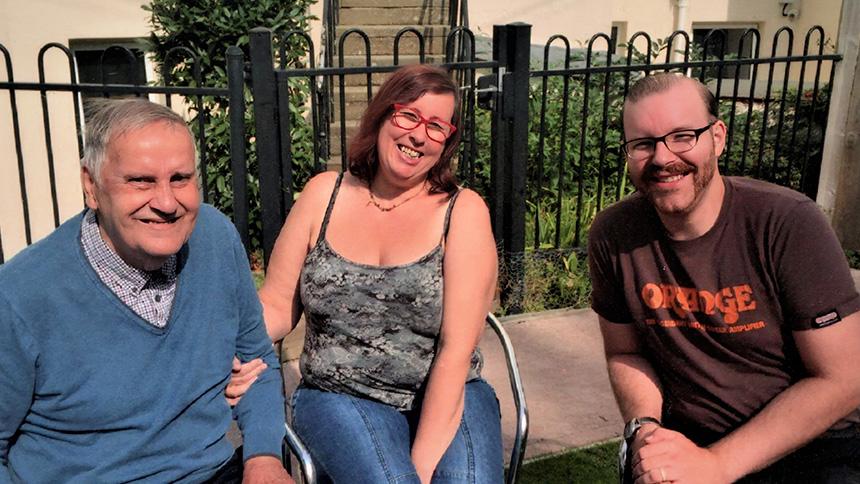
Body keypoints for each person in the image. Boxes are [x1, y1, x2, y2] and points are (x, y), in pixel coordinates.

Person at [0, 99, 292, 483]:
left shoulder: (214, 238)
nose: (167, 203)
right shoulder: (22, 293)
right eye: (141, 181)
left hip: (212, 472)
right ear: (92, 185)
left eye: (180, 179)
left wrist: (264, 459)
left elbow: (258, 364)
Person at [587, 72, 860, 484]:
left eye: (682, 136)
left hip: (809, 446)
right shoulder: (614, 235)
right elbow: (626, 353)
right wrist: (646, 430)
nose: (662, 158)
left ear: (717, 137)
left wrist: (718, 465)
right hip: (686, 441)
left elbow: (844, 379)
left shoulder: (786, 223)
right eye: (643, 144)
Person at [236, 64, 503, 483]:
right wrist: (234, 351)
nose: (418, 135)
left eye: (437, 126)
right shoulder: (324, 193)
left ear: (447, 142)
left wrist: (420, 467)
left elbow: (454, 352)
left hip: (452, 392)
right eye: (409, 115)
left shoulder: (462, 211)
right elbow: (274, 304)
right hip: (339, 394)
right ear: (382, 115)